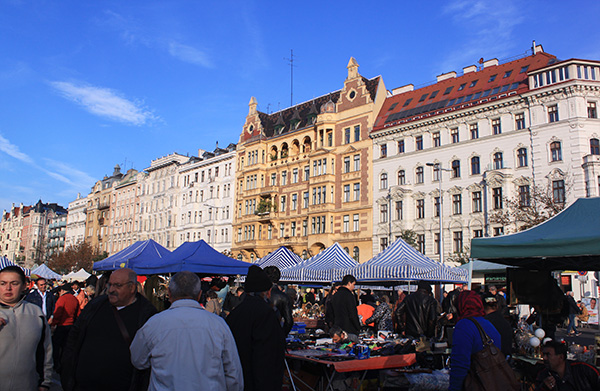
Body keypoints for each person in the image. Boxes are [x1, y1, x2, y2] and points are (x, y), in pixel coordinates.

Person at [131, 271, 243, 391]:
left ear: (169, 293)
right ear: (200, 295)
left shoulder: (154, 324)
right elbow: (233, 373)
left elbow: (138, 360)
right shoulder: (218, 325)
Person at [61, 268, 157, 391]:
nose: (111, 290)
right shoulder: (95, 306)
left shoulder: (146, 315)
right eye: (110, 285)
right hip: (82, 385)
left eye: (117, 286)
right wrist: (67, 375)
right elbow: (74, 339)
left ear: (132, 288)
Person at [226, 265, 285, 391]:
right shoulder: (266, 314)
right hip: (259, 381)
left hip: (239, 378)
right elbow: (266, 357)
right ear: (266, 291)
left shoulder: (235, 314)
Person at [0, 266, 54, 391]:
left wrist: (45, 382)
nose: (8, 288)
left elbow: (45, 350)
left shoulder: (36, 313)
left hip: (27, 384)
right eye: (3, 283)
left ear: (25, 285)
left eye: (14, 283)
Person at [449, 290, 503, 391]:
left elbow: (460, 365)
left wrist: (454, 388)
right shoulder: (488, 324)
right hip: (491, 383)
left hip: (475, 383)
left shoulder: (463, 325)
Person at [534, 340, 599, 390]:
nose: (544, 358)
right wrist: (544, 388)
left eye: (548, 355)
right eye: (544, 355)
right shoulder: (543, 375)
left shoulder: (583, 369)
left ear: (561, 357)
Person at [50, 283, 80, 373]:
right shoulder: (75, 299)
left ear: (62, 291)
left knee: (56, 346)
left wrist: (53, 324)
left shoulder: (62, 299)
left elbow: (57, 313)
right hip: (71, 325)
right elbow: (77, 314)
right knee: (66, 347)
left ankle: (56, 364)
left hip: (61, 325)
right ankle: (65, 364)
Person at [264, 265, 294, 336]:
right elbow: (289, 321)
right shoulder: (284, 297)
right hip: (276, 333)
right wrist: (281, 335)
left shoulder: (260, 295)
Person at [482, 292, 513, 357]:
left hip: (492, 361)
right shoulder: (505, 322)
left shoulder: (485, 323)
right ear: (497, 306)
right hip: (504, 361)